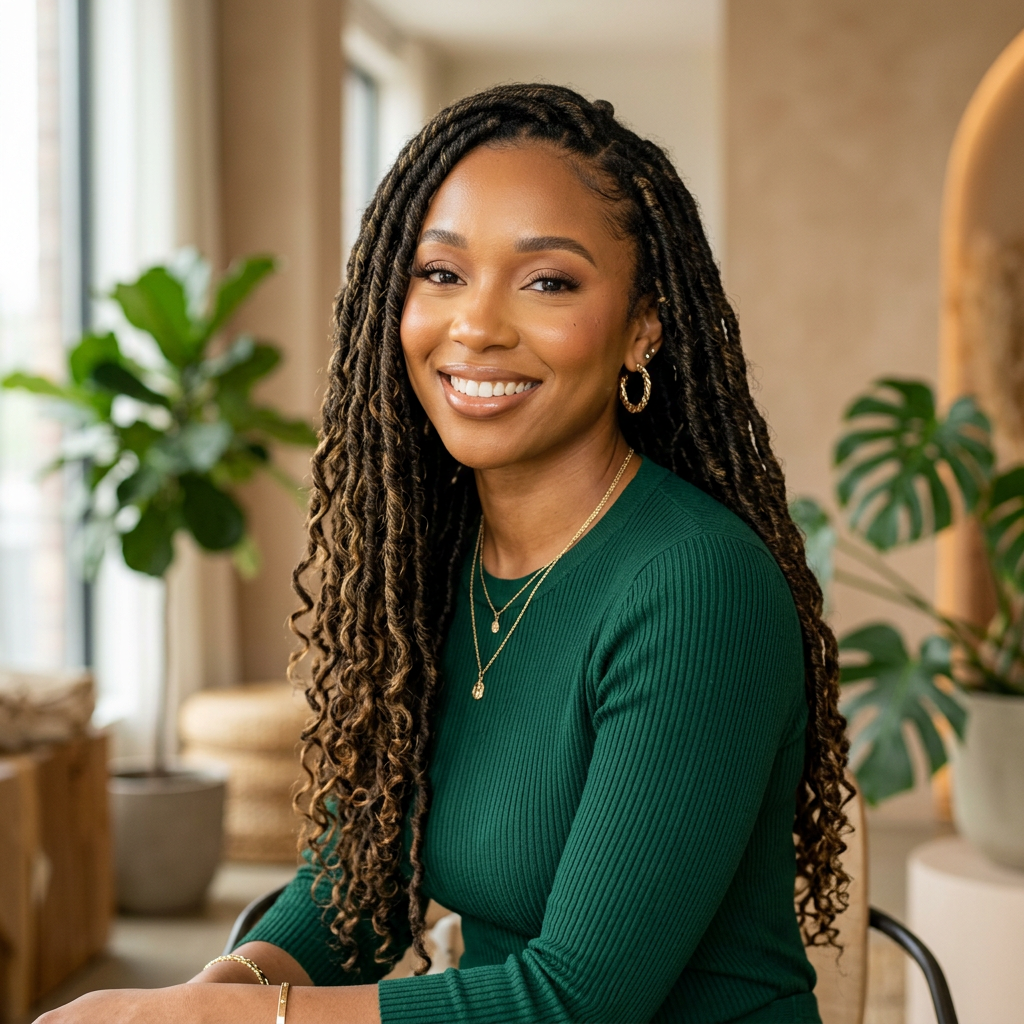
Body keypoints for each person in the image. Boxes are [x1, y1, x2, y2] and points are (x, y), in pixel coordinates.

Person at [38, 83, 851, 1024]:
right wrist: (214, 992)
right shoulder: (435, 560)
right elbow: (356, 892)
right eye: (441, 273)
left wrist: (218, 1023)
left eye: (548, 281)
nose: (477, 326)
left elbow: (575, 1005)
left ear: (644, 326)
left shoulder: (696, 586)